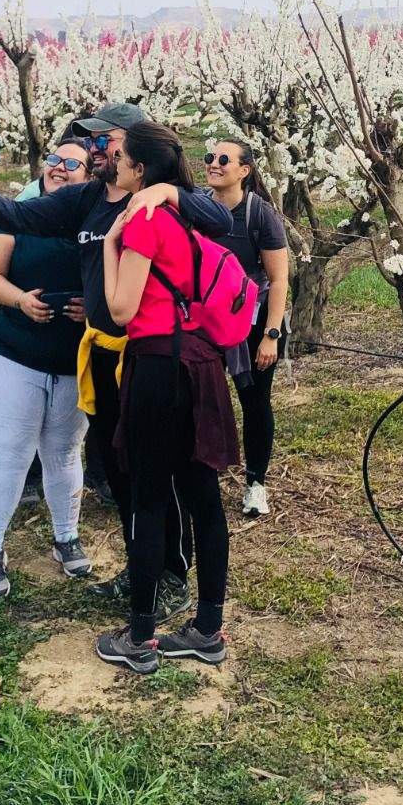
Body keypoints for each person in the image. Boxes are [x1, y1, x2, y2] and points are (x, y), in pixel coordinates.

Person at [0, 102, 232, 623]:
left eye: (105, 140)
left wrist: (171, 191)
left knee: (159, 479)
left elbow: (221, 217)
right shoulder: (87, 200)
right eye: (93, 141)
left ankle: (170, 576)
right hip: (102, 354)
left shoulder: (167, 200)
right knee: (121, 472)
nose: (97, 148)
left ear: (134, 146)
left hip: (152, 356)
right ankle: (141, 571)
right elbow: (16, 215)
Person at [94, 121, 240, 673]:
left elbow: (122, 309)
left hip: (156, 364)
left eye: (120, 157)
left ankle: (139, 638)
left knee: (149, 497)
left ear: (139, 169)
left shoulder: (142, 219)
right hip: (200, 362)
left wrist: (111, 244)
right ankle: (207, 628)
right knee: (202, 494)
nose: (113, 163)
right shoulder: (179, 214)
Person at [0, 140, 94, 600]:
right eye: (54, 160)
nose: (59, 169)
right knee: (12, 450)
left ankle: (65, 536)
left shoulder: (96, 220)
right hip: (17, 353)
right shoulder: (22, 212)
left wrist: (92, 309)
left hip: (73, 358)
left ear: (89, 174)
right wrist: (20, 299)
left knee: (64, 451)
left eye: (71, 163)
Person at [203, 139, 290, 517]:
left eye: (225, 159)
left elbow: (279, 279)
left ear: (244, 171)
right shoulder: (197, 208)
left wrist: (271, 335)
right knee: (202, 398)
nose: (214, 164)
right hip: (205, 321)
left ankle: (256, 483)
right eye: (210, 157)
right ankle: (203, 472)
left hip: (252, 323)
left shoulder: (259, 214)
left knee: (254, 402)